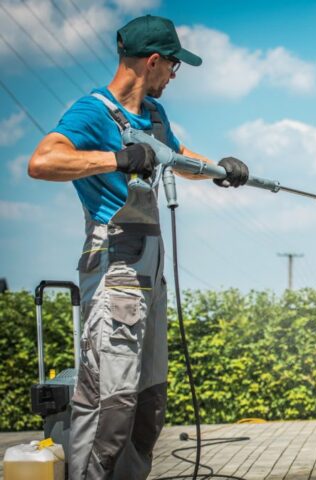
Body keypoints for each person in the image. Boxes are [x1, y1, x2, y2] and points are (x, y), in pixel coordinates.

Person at [27, 14, 249, 480]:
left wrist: (220, 169)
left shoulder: (154, 114)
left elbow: (178, 156)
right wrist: (118, 157)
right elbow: (43, 160)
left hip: (150, 271)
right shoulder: (93, 112)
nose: (173, 75)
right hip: (115, 271)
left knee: (146, 403)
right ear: (152, 62)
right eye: (173, 66)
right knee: (110, 403)